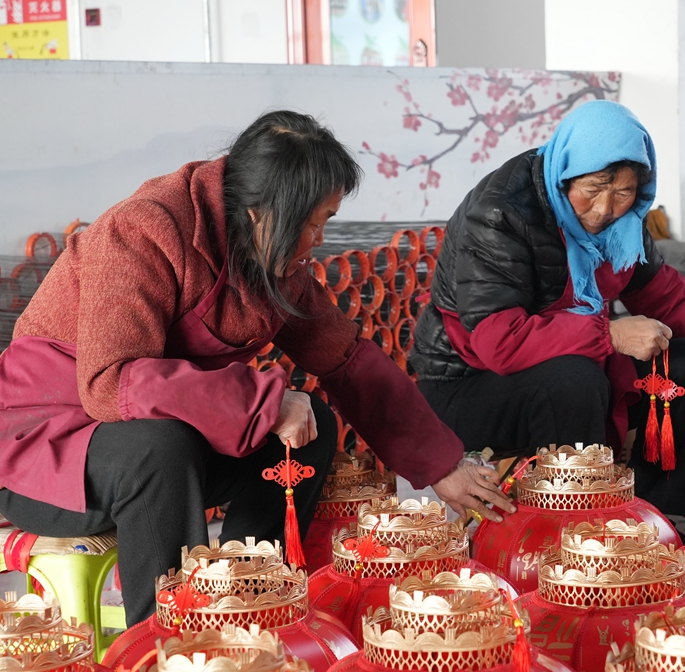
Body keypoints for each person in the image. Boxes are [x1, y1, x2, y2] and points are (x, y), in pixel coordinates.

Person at [0, 110, 513, 626]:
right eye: (313, 222)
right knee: (161, 444)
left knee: (309, 427)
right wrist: (261, 402)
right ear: (263, 213)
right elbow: (110, 384)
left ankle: (249, 597)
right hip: (46, 448)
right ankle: (170, 637)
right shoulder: (143, 229)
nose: (319, 239)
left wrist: (442, 466)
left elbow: (348, 360)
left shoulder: (270, 261)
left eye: (327, 221)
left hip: (164, 446)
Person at [410, 100, 685, 520]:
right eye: (592, 189)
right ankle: (580, 532)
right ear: (565, 172)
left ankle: (661, 519)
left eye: (623, 193)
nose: (603, 210)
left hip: (565, 361)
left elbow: (663, 293)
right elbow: (499, 342)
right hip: (468, 382)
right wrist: (608, 335)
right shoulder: (500, 213)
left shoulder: (624, 223)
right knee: (575, 380)